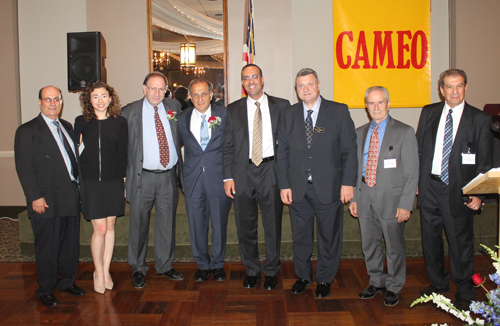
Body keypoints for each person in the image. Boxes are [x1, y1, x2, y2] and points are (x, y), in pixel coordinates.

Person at [416, 69, 493, 311]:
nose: (454, 91)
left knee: (461, 244)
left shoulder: (480, 119)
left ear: (466, 88)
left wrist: (478, 194)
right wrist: (417, 184)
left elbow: (485, 162)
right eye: (449, 86)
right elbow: (419, 151)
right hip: (429, 187)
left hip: (459, 192)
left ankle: (465, 289)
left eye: (459, 86)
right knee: (430, 241)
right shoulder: (428, 113)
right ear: (441, 89)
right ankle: (438, 283)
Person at [277, 68, 357, 298]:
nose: (305, 89)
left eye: (309, 84)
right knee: (300, 237)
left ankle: (324, 278)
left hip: (330, 187)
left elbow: (349, 150)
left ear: (318, 85)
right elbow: (281, 152)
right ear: (296, 89)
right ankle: (303, 276)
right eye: (301, 86)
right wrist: (284, 184)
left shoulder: (338, 111)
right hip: (297, 189)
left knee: (329, 237)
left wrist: (347, 182)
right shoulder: (288, 114)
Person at [14, 86, 86, 307]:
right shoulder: (28, 130)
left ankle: (66, 282)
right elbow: (24, 168)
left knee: (69, 244)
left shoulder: (66, 126)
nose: (52, 103)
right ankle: (45, 288)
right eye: (48, 99)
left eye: (56, 99)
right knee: (47, 246)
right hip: (45, 199)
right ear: (39, 102)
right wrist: (34, 196)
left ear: (61, 102)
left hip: (69, 195)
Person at [348, 86, 418, 306]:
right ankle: (376, 280)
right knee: (369, 243)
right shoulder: (359, 132)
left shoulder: (405, 131)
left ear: (388, 103)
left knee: (394, 246)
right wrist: (354, 198)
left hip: (392, 199)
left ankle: (394, 286)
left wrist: (406, 204)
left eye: (380, 102)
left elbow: (411, 172)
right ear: (366, 106)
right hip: (364, 194)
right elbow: (353, 168)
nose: (376, 107)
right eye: (371, 103)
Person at [223, 64, 290, 290]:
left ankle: (271, 270)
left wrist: (286, 178)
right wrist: (227, 177)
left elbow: (288, 145)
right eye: (245, 78)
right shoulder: (232, 110)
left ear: (262, 79)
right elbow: (227, 147)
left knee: (272, 225)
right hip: (243, 173)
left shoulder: (282, 106)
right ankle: (251, 270)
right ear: (242, 83)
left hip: (271, 171)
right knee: (245, 225)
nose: (251, 81)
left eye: (254, 76)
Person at [121, 72, 183, 288]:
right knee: (138, 224)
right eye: (152, 88)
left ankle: (165, 265)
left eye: (161, 89)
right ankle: (138, 268)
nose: (157, 93)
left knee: (167, 224)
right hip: (142, 177)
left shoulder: (174, 106)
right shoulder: (129, 112)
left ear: (166, 90)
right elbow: (121, 148)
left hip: (168, 177)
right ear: (144, 88)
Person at [74, 82, 128, 294]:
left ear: (111, 98)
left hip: (114, 181)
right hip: (91, 182)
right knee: (100, 228)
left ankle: (106, 271)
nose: (100, 100)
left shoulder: (120, 122)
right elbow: (74, 152)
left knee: (111, 226)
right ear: (88, 101)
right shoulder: (81, 122)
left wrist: (124, 181)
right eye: (95, 97)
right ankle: (97, 270)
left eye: (104, 96)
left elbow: (123, 154)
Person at [178, 78, 232, 282]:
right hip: (192, 179)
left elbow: (231, 147)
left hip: (219, 178)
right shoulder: (182, 118)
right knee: (196, 224)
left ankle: (218, 264)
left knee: (219, 223)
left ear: (212, 95)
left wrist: (230, 176)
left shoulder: (225, 115)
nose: (200, 98)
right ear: (190, 97)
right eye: (195, 94)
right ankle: (202, 264)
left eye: (204, 94)